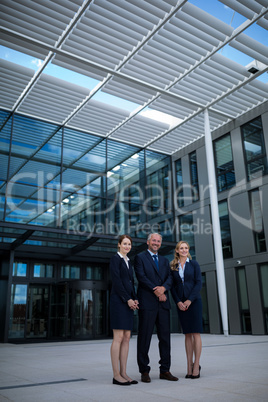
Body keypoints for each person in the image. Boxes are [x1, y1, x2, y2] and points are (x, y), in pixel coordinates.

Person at [134, 233, 178, 383]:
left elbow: (170, 278)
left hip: (163, 303)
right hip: (147, 303)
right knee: (144, 337)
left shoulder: (165, 260)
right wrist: (157, 290)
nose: (156, 243)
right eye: (154, 240)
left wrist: (163, 289)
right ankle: (144, 371)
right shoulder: (140, 258)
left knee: (165, 338)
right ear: (148, 242)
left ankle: (165, 370)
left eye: (158, 241)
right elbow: (141, 277)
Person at [170, 241, 203, 379]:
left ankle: (196, 365)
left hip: (194, 302)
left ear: (188, 250)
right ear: (177, 250)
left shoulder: (194, 264)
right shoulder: (173, 266)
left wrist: (190, 300)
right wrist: (178, 301)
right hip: (181, 303)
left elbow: (198, 282)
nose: (184, 250)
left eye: (186, 248)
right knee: (187, 334)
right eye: (181, 248)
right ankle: (188, 365)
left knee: (196, 333)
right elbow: (172, 286)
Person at [110, 234, 139, 386]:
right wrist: (127, 299)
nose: (127, 246)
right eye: (125, 244)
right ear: (119, 245)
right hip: (119, 302)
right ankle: (116, 375)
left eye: (129, 244)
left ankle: (124, 372)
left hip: (128, 302)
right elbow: (117, 281)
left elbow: (130, 282)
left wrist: (134, 298)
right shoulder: (116, 259)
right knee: (118, 338)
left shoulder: (128, 261)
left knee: (127, 337)